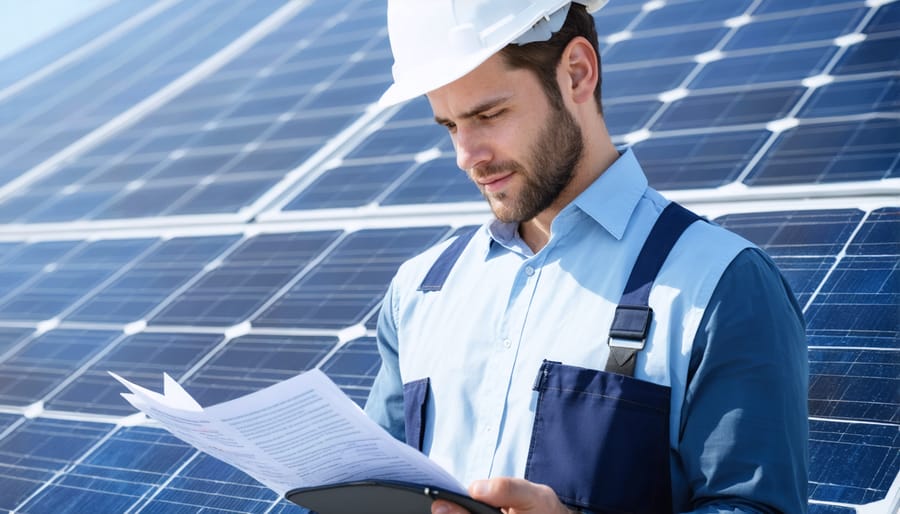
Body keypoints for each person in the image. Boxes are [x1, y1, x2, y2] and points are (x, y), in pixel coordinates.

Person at [365, 1, 809, 513]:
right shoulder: (417, 293)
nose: (467, 156)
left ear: (577, 73)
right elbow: (375, 490)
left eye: (489, 115)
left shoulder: (722, 285)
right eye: (449, 126)